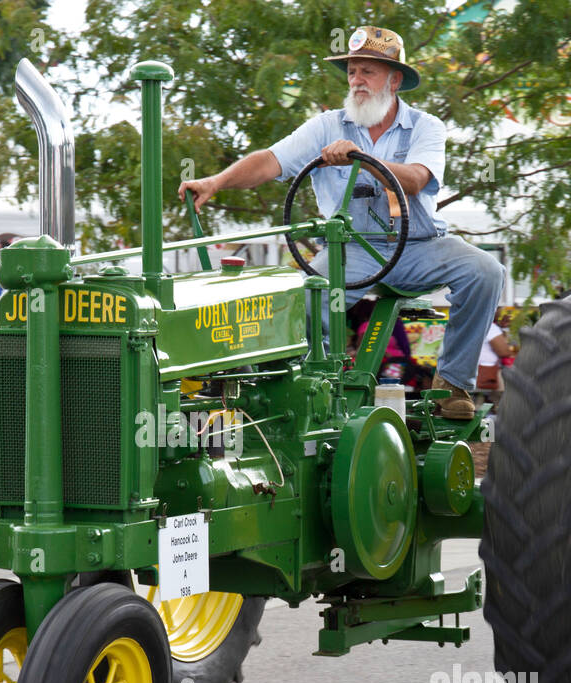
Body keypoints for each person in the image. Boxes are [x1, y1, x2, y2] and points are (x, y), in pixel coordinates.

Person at [178, 24, 504, 420]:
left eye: (368, 71)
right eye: (352, 71)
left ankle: (452, 385)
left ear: (395, 79)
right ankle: (310, 394)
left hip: (419, 245)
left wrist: (361, 159)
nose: (357, 81)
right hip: (351, 250)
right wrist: (216, 181)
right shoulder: (326, 126)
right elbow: (270, 160)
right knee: (306, 299)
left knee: (486, 270)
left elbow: (418, 180)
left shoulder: (426, 126)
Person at [475, 313, 515, 405]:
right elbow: (504, 352)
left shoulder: (472, 325)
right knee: (500, 401)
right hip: (487, 371)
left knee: (477, 403)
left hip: (471, 370)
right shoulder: (490, 327)